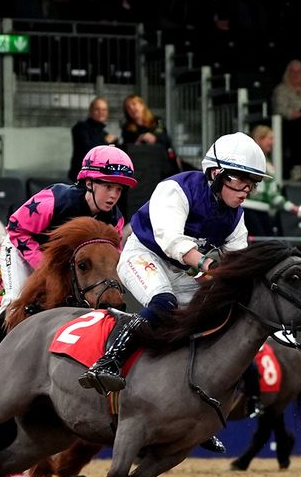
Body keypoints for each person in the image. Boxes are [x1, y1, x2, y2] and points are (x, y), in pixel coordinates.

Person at [77, 132, 264, 447]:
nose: (247, 189)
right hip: (143, 254)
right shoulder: (176, 189)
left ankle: (194, 407)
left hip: (178, 269)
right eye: (241, 180)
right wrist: (211, 267)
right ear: (217, 174)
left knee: (212, 316)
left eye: (252, 182)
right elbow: (172, 242)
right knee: (163, 302)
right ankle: (108, 361)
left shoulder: (235, 217)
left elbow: (238, 259)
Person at [0, 145, 136, 399]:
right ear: (89, 182)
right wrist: (46, 269)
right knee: (13, 302)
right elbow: (17, 229)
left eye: (119, 189)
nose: (113, 195)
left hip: (66, 267)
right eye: (108, 186)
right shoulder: (55, 199)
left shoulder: (114, 220)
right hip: (22, 250)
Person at [69, 97, 117, 179]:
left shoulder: (105, 134)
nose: (101, 112)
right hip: (82, 176)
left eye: (104, 110)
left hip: (99, 176)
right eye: (97, 109)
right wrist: (106, 142)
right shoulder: (80, 127)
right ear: (90, 111)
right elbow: (88, 150)